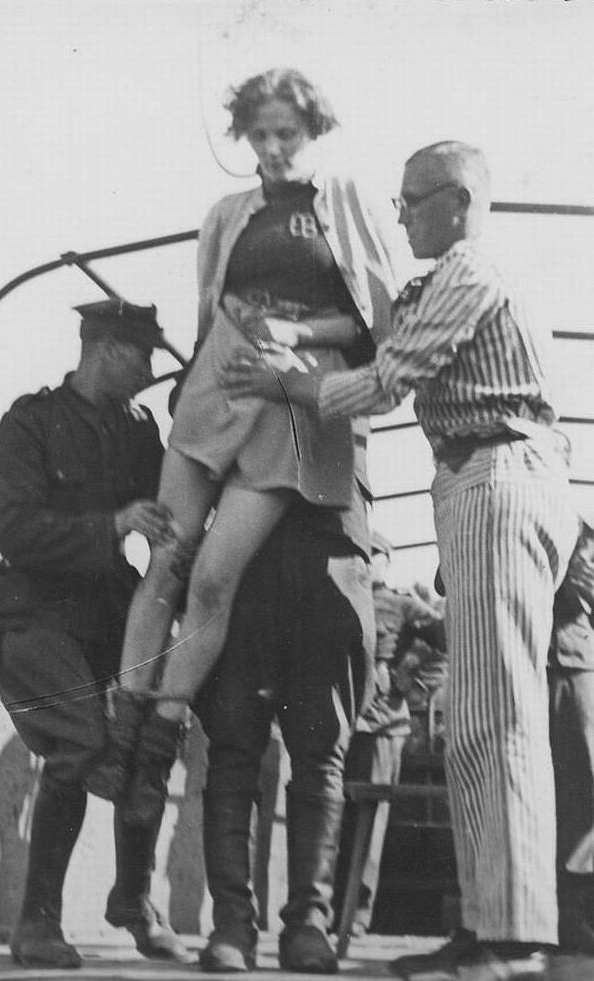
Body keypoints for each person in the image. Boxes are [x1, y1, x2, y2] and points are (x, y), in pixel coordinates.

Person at [223, 141, 579, 981]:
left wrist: (291, 383)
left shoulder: (468, 268)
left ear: (457, 201)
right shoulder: (450, 277)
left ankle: (510, 941)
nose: (400, 215)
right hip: (479, 475)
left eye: (411, 201)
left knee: (496, 715)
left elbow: (385, 380)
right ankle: (490, 924)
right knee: (482, 713)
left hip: (498, 469)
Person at [111, 67, 400, 831]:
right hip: (216, 386)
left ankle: (158, 742)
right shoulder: (226, 214)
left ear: (314, 132)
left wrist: (297, 329)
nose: (273, 149)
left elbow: (375, 325)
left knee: (212, 579)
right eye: (260, 135)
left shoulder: (345, 203)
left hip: (286, 400)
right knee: (166, 561)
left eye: (287, 134)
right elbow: (208, 312)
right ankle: (122, 733)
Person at [0, 299, 189, 969]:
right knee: (81, 740)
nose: (149, 371)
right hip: (35, 614)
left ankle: (133, 900)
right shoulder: (31, 420)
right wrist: (113, 525)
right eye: (142, 356)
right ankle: (36, 921)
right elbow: (12, 529)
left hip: (109, 613)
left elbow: (173, 507)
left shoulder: (139, 430)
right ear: (104, 348)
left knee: (147, 738)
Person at [193, 424, 378, 975]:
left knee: (322, 749)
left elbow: (370, 384)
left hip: (332, 541)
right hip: (243, 548)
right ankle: (231, 922)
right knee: (232, 743)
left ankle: (309, 922)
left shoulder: (349, 361)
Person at [332, 532, 446, 938]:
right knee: (326, 816)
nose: (365, 560)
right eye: (360, 552)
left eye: (374, 554)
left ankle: (354, 916)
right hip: (334, 723)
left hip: (380, 726)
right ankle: (317, 911)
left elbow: (446, 640)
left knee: (369, 821)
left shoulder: (401, 604)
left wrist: (405, 681)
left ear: (386, 561)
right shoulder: (335, 596)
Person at [549, 517, 594, 954]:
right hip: (513, 662)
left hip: (570, 664)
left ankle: (575, 913)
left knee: (579, 788)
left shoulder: (580, 529)